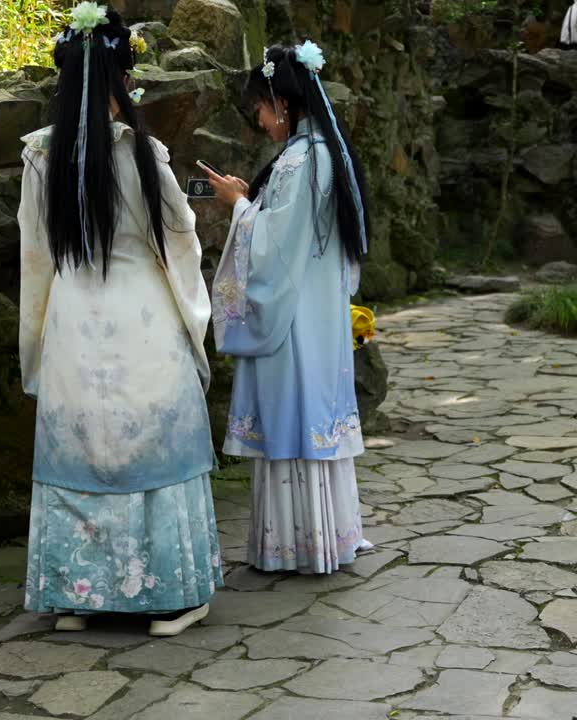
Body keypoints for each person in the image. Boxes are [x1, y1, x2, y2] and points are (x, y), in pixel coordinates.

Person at [18, 2, 223, 636]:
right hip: (142, 321)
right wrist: (194, 315)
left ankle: (83, 592)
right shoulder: (141, 151)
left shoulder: (41, 156)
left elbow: (36, 255)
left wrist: (37, 338)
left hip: (75, 320)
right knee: (152, 450)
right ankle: (174, 594)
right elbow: (180, 238)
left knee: (83, 451)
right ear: (115, 79)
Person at [204, 42, 373, 575]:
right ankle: (327, 534)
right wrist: (250, 204)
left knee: (293, 417)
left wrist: (238, 207)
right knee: (314, 419)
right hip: (317, 311)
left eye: (259, 107)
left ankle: (294, 545)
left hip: (295, 318)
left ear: (282, 101)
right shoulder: (329, 151)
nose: (258, 119)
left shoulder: (301, 159)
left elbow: (276, 245)